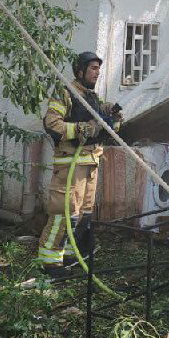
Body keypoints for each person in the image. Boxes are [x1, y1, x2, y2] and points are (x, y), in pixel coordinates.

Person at [36, 51, 121, 273]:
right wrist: (81, 129)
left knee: (82, 216)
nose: (98, 72)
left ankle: (71, 255)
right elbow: (51, 124)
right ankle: (49, 261)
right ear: (80, 71)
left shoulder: (92, 97)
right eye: (93, 68)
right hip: (69, 166)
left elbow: (101, 129)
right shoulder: (65, 94)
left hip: (91, 164)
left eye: (98, 68)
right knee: (63, 214)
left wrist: (111, 117)